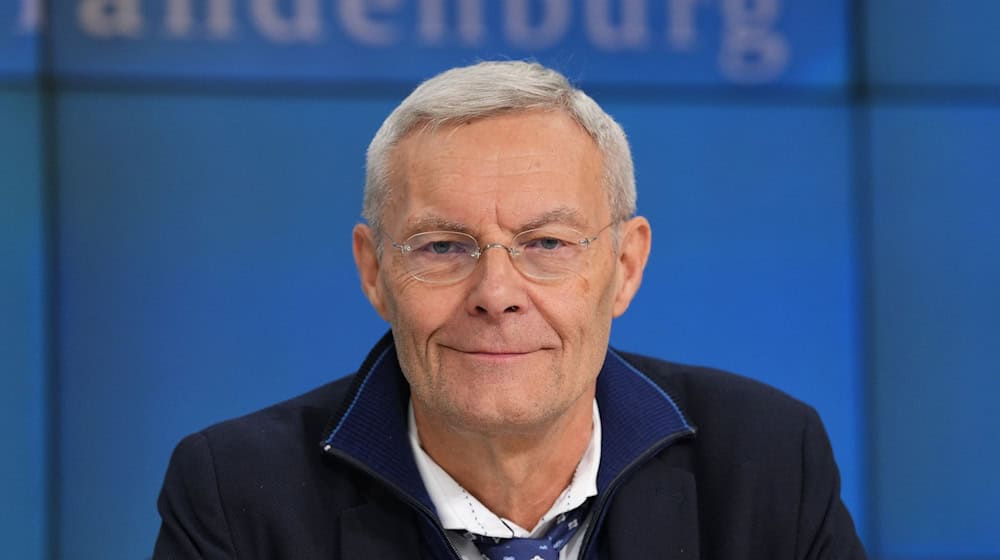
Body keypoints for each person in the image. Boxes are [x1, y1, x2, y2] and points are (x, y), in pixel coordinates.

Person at [153, 60, 866, 559]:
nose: (496, 293)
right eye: (442, 247)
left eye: (546, 242)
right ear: (375, 273)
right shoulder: (235, 493)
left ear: (624, 266)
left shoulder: (767, 460)